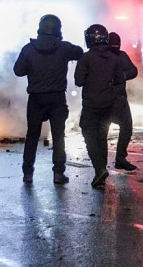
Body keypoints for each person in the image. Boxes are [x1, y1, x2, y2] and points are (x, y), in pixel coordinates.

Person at [13, 14, 83, 185]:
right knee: (59, 137)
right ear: (58, 29)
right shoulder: (64, 48)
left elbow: (18, 71)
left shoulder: (28, 49)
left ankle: (27, 173)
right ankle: (58, 173)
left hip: (36, 98)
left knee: (32, 136)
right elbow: (80, 53)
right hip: (57, 98)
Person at [75, 24, 128, 188]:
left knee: (90, 136)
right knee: (102, 137)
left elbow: (79, 81)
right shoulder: (115, 57)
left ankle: (99, 169)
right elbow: (121, 81)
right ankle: (101, 170)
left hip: (91, 105)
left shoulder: (86, 58)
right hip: (109, 105)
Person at [108, 32, 139, 171]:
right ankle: (113, 160)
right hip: (109, 97)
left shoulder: (121, 55)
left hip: (117, 97)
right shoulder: (107, 56)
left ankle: (118, 159)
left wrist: (122, 76)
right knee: (121, 127)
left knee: (126, 127)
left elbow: (133, 71)